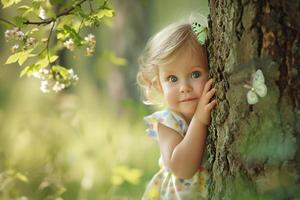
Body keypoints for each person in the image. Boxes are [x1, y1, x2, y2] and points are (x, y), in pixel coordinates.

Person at [136, 16, 217, 200]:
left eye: (195, 74)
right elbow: (182, 169)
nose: (184, 87)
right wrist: (199, 120)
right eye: (172, 79)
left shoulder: (216, 109)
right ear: (158, 85)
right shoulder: (167, 123)